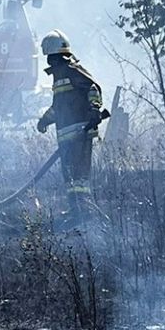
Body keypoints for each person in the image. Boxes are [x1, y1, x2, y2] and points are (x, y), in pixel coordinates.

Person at [36, 30, 106, 224]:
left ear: (59, 56)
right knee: (70, 177)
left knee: (79, 176)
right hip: (67, 136)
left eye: (52, 57)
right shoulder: (58, 77)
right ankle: (76, 212)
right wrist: (44, 120)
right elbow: (58, 107)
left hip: (79, 132)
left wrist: (94, 109)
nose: (50, 61)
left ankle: (85, 212)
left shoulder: (72, 70)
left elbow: (93, 88)